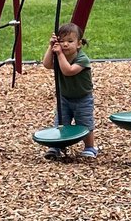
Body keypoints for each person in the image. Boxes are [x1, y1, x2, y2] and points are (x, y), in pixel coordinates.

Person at [40, 22, 97, 160]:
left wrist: (59, 54)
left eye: (70, 41)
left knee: (85, 123)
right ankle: (57, 146)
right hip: (64, 98)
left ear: (79, 44)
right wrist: (50, 47)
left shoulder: (82, 59)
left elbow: (68, 71)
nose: (65, 44)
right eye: (62, 41)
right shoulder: (60, 57)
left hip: (82, 98)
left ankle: (90, 147)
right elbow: (47, 65)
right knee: (60, 122)